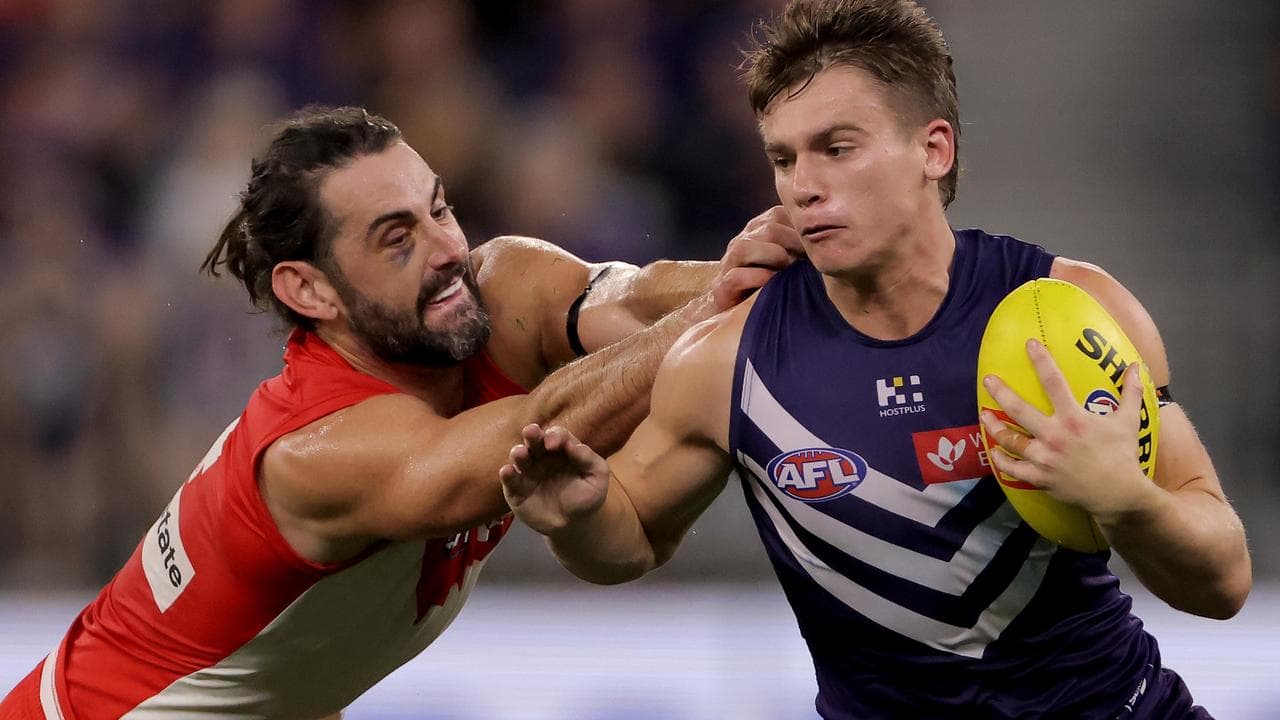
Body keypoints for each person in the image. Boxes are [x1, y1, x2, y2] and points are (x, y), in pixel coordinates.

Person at [498, 2, 1253, 718]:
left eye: (836, 148)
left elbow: (1224, 581)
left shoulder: (1072, 315)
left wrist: (1128, 500)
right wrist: (578, 518)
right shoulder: (728, 358)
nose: (803, 187)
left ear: (934, 148)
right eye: (784, 158)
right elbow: (629, 539)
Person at [0, 105, 802, 719]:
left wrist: (777, 273)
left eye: (440, 208)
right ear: (308, 290)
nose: (447, 248)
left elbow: (632, 300)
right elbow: (527, 435)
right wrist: (717, 313)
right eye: (396, 239)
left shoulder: (487, 289)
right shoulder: (316, 453)